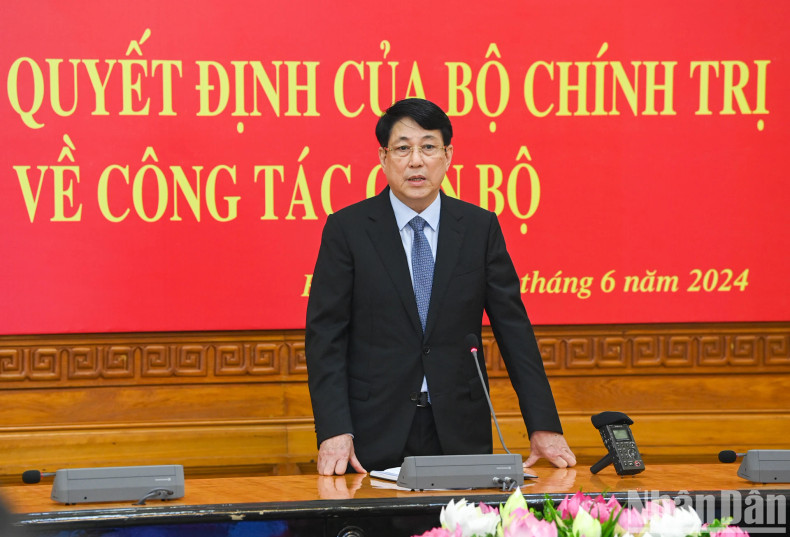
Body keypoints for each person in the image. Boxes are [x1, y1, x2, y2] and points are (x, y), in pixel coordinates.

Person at [305, 98, 576, 475]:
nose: (416, 161)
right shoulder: (348, 230)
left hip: (460, 428)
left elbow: (514, 331)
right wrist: (335, 429)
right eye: (403, 148)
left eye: (428, 147)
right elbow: (326, 337)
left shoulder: (479, 229)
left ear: (448, 155)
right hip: (371, 432)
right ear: (384, 158)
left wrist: (543, 424)